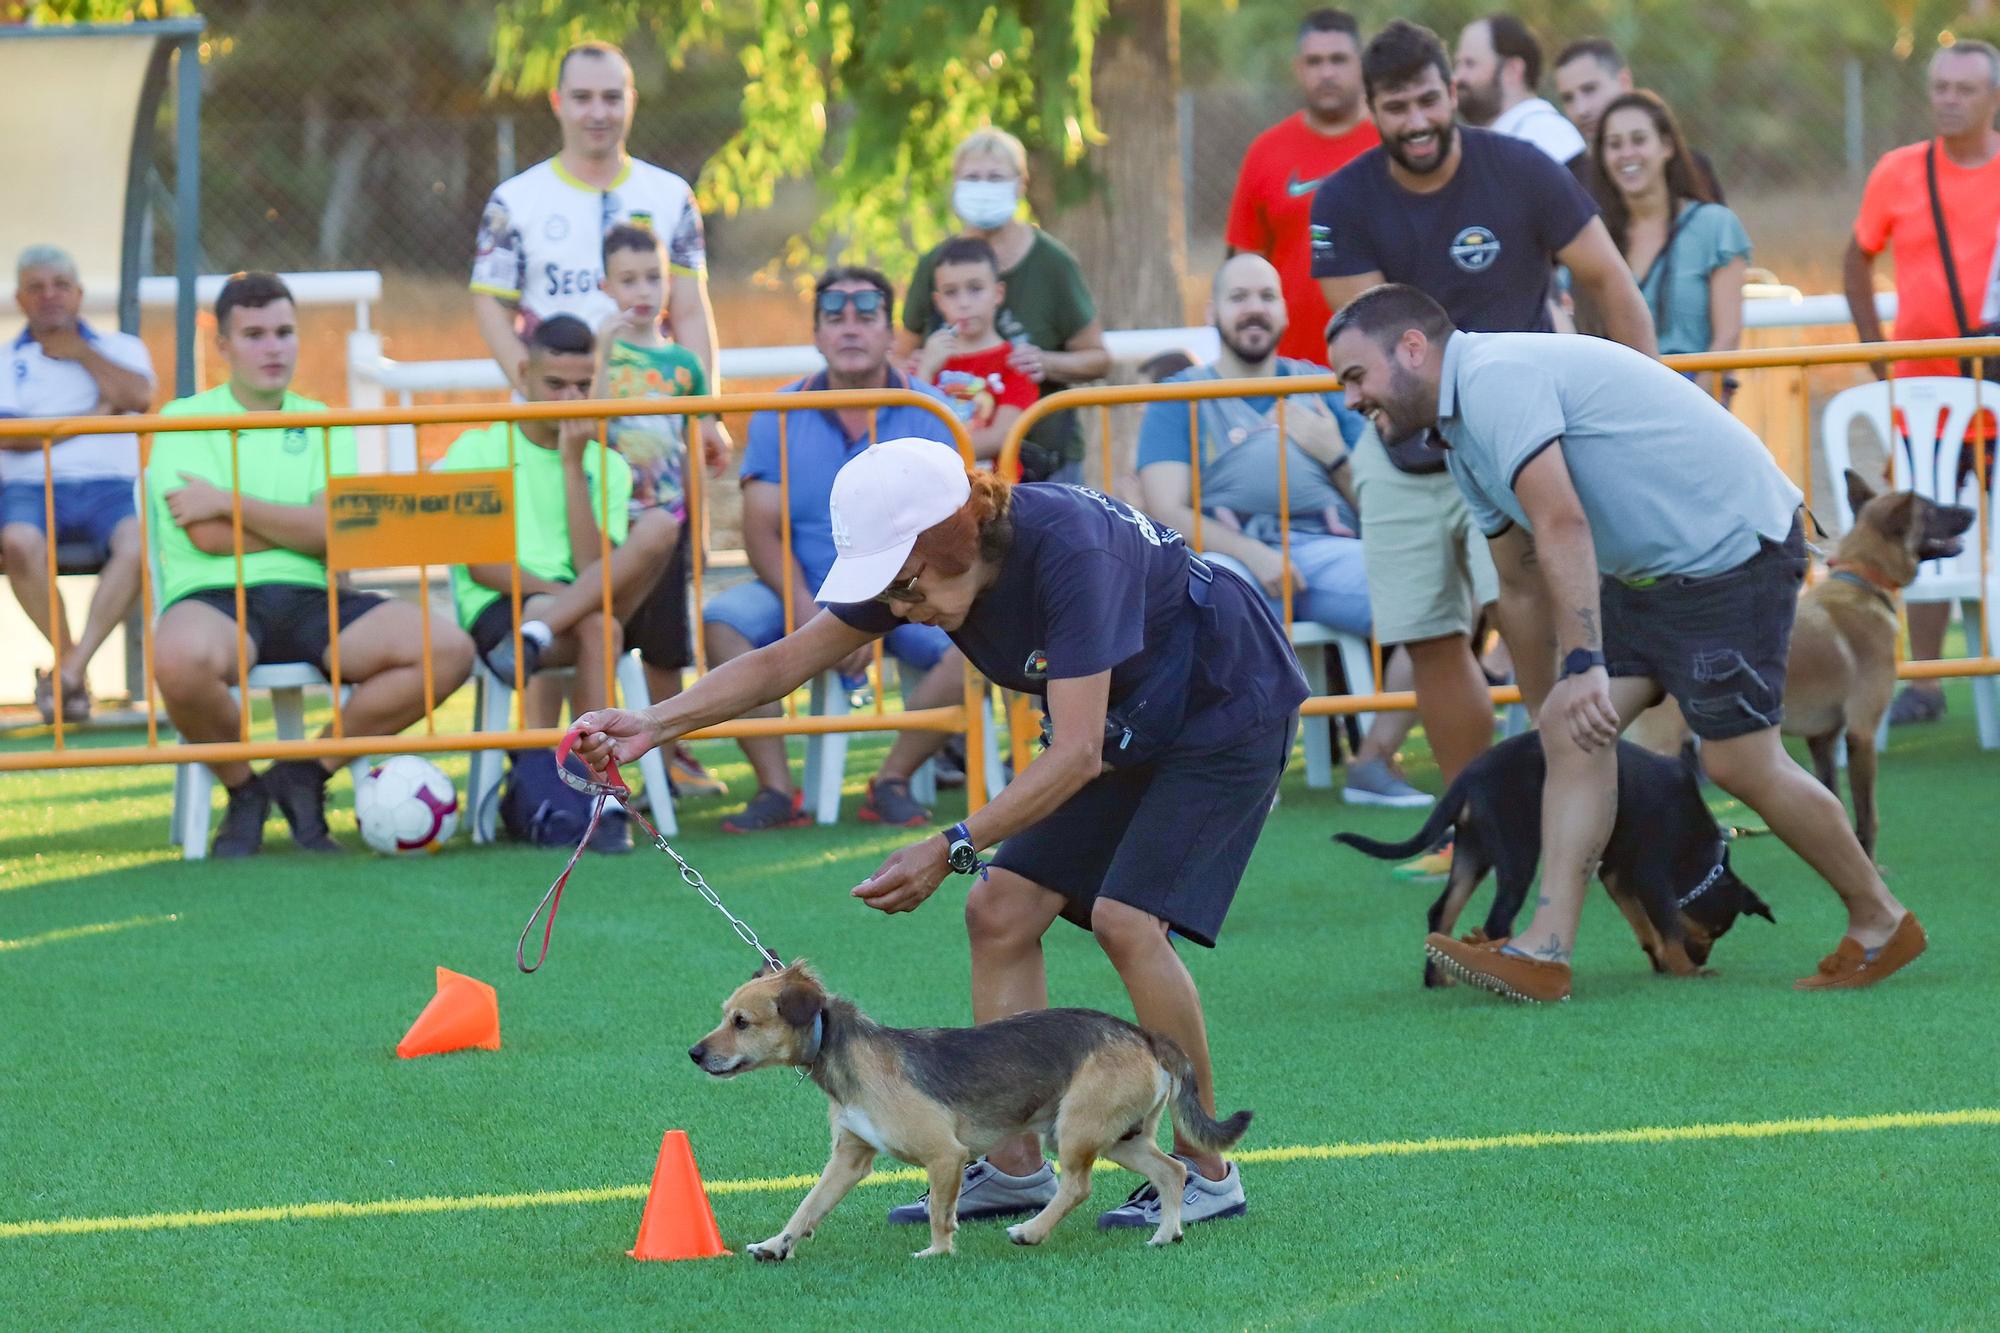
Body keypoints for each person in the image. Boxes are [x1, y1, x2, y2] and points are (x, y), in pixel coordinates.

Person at [571, 437, 1307, 1231]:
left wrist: (953, 841)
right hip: (1123, 719)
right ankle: (1015, 1165)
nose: (898, 604)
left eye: (906, 580)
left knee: (1126, 919)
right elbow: (785, 660)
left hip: (1226, 703)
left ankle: (1206, 1171)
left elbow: (1077, 753)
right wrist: (652, 720)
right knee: (999, 912)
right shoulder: (918, 573)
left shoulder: (1071, 554)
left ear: (960, 529)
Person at [1327, 283, 1924, 1002]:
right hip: (1646, 573)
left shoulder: (1493, 381)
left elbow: (1563, 524)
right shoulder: (1458, 435)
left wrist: (1582, 662)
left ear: (1413, 349)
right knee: (1574, 737)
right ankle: (1545, 951)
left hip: (1729, 552)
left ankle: (1880, 917)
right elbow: (1517, 581)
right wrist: (1551, 704)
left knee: (1739, 762)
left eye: (1355, 376)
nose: (1352, 398)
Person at [1310, 19, 1656, 826]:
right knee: (1430, 637)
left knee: (1526, 607)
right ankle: (1482, 822)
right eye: (1397, 107)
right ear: (1373, 110)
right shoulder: (1344, 198)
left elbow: (1610, 280)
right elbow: (1376, 345)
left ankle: (1571, 797)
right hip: (1399, 448)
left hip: (1516, 442)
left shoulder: (1523, 170)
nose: (1418, 120)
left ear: (1454, 91)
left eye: (1430, 98)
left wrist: (1647, 397)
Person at [148, 273, 474, 858]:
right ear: (221, 345)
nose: (273, 347)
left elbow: (333, 533)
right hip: (215, 597)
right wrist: (298, 529)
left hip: (311, 598)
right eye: (254, 335)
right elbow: (209, 537)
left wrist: (231, 501)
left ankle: (305, 774)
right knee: (177, 656)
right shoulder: (182, 417)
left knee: (447, 650)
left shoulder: (323, 419)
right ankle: (244, 789)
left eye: (283, 332)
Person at [1136, 253, 1428, 808]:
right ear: (1213, 310)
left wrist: (1333, 453)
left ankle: (1374, 760)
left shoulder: (1325, 386)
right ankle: (1242, 773)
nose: (1254, 309)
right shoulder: (1179, 394)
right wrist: (1256, 554)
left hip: (1324, 551)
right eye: (1239, 296)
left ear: (1284, 311)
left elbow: (1381, 498)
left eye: (1267, 297)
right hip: (1228, 555)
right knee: (1217, 589)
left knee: (1431, 588)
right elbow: (1166, 510)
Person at [705, 267, 970, 832]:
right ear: (816, 333)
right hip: (802, 588)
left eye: (866, 316)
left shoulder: (934, 409)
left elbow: (951, 525)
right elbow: (760, 527)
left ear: (891, 331)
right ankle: (777, 790)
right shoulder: (779, 411)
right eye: (834, 317)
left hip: (910, 589)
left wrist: (874, 611)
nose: (850, 329)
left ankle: (893, 780)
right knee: (722, 621)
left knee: (977, 641)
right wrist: (808, 607)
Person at [468, 40, 727, 469]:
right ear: (557, 102)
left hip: (650, 428)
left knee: (662, 534)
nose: (598, 113)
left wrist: (707, 413)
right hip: (554, 430)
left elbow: (691, 311)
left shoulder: (671, 195)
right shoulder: (514, 201)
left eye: (611, 98)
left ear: (632, 101)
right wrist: (536, 385)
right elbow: (491, 304)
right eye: (582, 98)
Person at [1844, 38, 2000, 729]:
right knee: (1920, 532)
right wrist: (1878, 356)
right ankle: (1930, 680)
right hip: (1923, 396)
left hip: (1994, 390)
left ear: (1991, 97)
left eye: (1964, 88)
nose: (1948, 99)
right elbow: (1857, 257)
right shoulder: (1899, 172)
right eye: (1940, 86)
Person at [593, 222, 727, 796]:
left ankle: (669, 759)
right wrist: (601, 350)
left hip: (669, 521)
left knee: (667, 645)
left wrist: (698, 525)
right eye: (628, 279)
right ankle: (600, 760)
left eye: (653, 277)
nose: (642, 290)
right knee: (605, 635)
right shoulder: (601, 353)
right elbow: (587, 418)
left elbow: (693, 449)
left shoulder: (683, 366)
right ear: (605, 285)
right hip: (609, 523)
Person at [895, 128, 1110, 482]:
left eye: (995, 177)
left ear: (1020, 183)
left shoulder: (1053, 263)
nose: (983, 187)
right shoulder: (934, 264)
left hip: (1044, 460)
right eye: (972, 178)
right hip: (948, 471)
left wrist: (1046, 362)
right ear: (955, 185)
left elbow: (1097, 357)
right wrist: (917, 369)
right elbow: (900, 355)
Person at [1, 245, 154, 723]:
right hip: (28, 490)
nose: (50, 296)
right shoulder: (5, 359)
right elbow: (10, 439)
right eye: (37, 287)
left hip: (110, 489)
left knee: (140, 542)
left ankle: (67, 673)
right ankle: (74, 666)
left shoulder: (121, 347)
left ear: (80, 294)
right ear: (19, 299)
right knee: (17, 543)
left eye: (60, 286)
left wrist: (82, 353)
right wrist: (97, 415)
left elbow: (140, 397)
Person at [1224, 8, 1381, 365]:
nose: (1327, 72)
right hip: (1288, 372)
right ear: (1298, 68)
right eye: (1315, 61)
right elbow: (1241, 269)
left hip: (1380, 370)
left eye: (1339, 59)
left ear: (1361, 64)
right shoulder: (1266, 151)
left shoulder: (1391, 145)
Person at [1594, 91, 1750, 395]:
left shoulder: (1714, 226)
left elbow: (1727, 337)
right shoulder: (1594, 238)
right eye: (1614, 145)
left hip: (1693, 399)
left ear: (1666, 146)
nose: (1627, 154)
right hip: (1615, 403)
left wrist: (1697, 412)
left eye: (1639, 140)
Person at [913, 236, 1038, 471]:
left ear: (998, 293)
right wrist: (925, 371)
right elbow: (908, 425)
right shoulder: (928, 360)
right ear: (938, 302)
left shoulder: (1015, 363)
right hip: (934, 497)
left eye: (975, 289)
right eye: (951, 292)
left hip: (994, 496)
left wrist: (932, 453)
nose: (964, 303)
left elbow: (1001, 437)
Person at [1554, 38, 1724, 200]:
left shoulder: (1690, 169)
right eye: (1568, 98)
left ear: (1624, 81)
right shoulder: (1566, 183)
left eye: (1589, 89)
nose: (1581, 109)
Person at [1453, 14, 1585, 166]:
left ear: (1513, 70)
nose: (1457, 77)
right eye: (1457, 63)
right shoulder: (1495, 139)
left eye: (1470, 64)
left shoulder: (1548, 136)